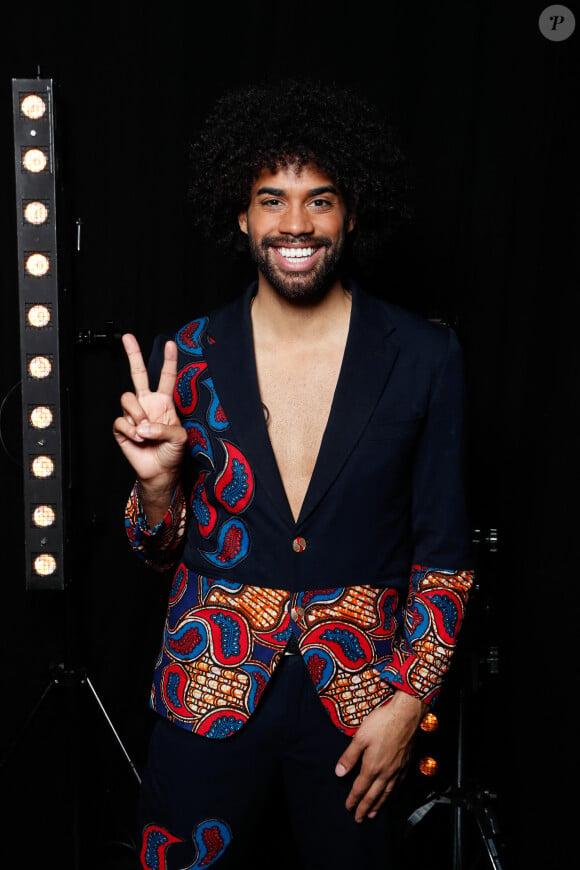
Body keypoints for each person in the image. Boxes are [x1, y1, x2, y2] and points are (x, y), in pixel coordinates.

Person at [113, 79, 474, 870]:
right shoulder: (191, 355)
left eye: (321, 200)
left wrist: (410, 702)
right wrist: (155, 485)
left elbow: (444, 554)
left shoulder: (423, 356)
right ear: (241, 215)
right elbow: (154, 550)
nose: (296, 224)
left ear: (349, 213)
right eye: (271, 200)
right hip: (207, 690)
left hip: (361, 705)